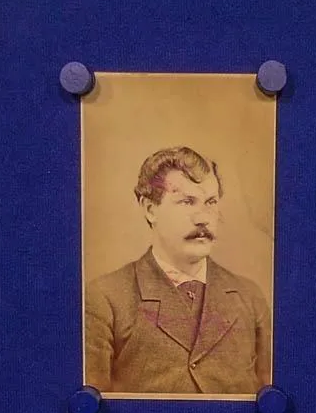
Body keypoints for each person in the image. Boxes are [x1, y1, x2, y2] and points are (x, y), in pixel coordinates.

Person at [84, 147, 273, 395]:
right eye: (186, 202)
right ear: (150, 209)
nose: (203, 218)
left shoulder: (249, 297)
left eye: (211, 202)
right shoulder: (105, 298)